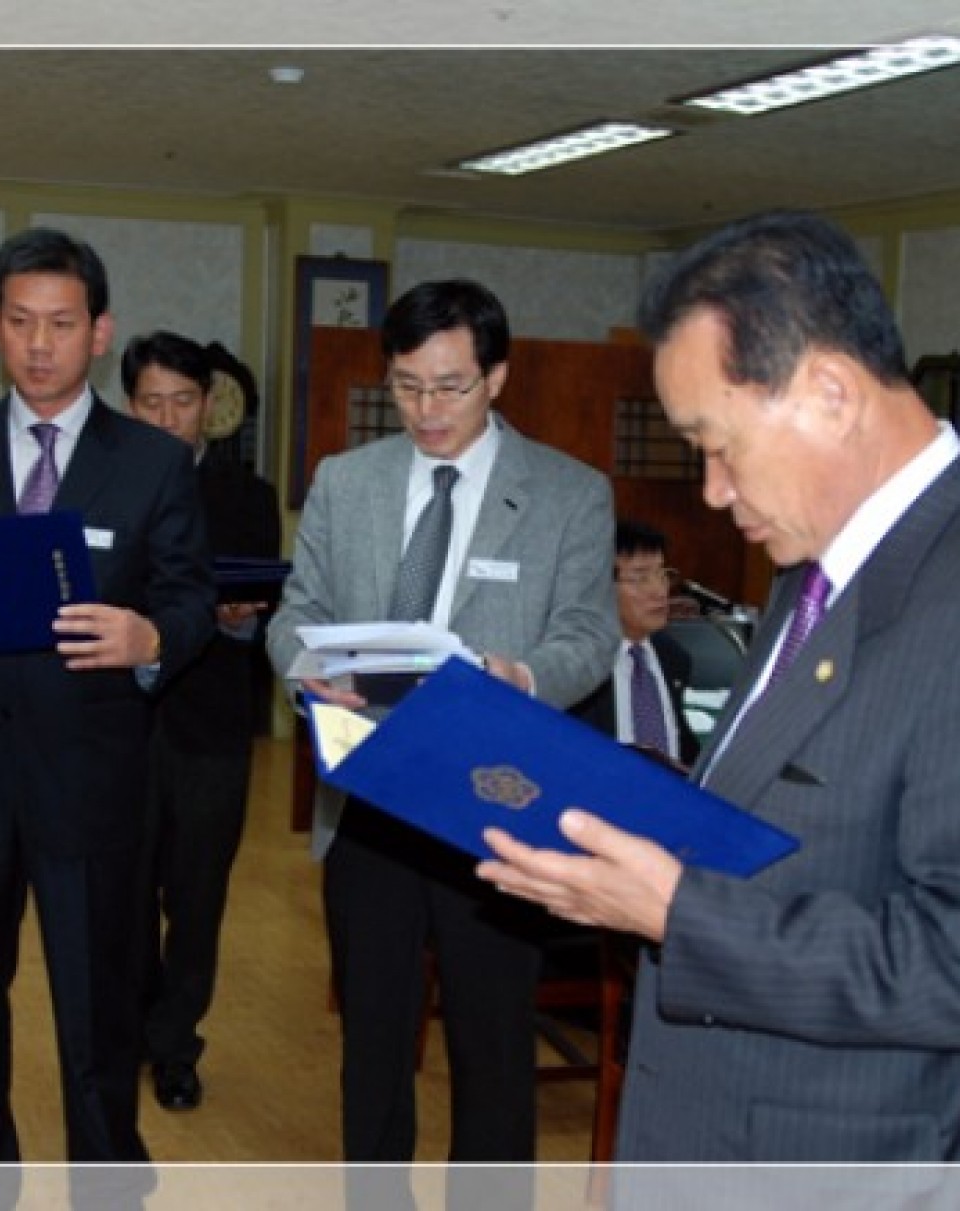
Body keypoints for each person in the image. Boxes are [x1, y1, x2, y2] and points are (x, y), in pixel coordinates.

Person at [479, 210, 960, 1165]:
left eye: (720, 444)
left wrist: (677, 912)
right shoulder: (815, 566)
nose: (712, 490)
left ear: (828, 392)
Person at [0, 228, 214, 1197]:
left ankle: (107, 1172)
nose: (39, 344)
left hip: (93, 779)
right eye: (20, 322)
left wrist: (153, 639)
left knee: (98, 999)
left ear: (100, 330)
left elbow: (189, 598)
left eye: (61, 324)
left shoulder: (151, 462)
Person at [266, 279, 619, 1200]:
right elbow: (295, 612)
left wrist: (523, 678)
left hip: (495, 809)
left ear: (497, 377)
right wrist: (305, 662)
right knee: (373, 1046)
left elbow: (588, 634)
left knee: (492, 1044)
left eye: (451, 386)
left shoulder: (570, 494)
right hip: (373, 798)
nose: (426, 410)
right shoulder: (347, 481)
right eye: (408, 386)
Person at [121, 331, 281, 1113]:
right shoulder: (99, 486)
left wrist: (240, 619)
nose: (166, 416)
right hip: (115, 727)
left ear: (207, 408)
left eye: (182, 402)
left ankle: (176, 1044)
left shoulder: (246, 494)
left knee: (197, 901)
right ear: (129, 404)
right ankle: (128, 1035)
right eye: (151, 401)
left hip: (211, 727)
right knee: (120, 897)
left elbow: (264, 608)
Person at [574, 519, 701, 767]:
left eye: (663, 574)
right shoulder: (580, 663)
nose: (659, 590)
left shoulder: (674, 658)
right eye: (640, 578)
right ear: (599, 586)